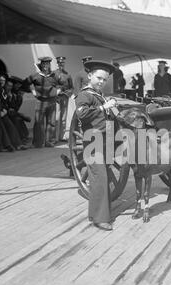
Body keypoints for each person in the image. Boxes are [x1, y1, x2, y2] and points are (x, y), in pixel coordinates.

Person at [75, 59, 118, 232]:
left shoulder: (99, 95)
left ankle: (96, 214)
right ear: (90, 76)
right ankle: (100, 219)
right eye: (99, 78)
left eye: (104, 80)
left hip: (104, 139)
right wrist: (103, 107)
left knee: (102, 177)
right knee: (99, 178)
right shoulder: (85, 94)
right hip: (93, 140)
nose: (101, 82)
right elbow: (82, 114)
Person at [24, 56, 60, 148]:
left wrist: (58, 91)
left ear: (49, 65)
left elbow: (62, 84)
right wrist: (32, 90)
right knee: (38, 122)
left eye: (47, 64)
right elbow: (25, 83)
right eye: (43, 64)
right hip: (40, 102)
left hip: (52, 101)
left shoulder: (54, 75)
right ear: (41, 65)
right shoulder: (35, 75)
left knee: (51, 122)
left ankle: (49, 141)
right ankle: (38, 143)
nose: (45, 66)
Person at [0, 77, 28, 151]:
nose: (9, 87)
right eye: (8, 85)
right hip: (2, 113)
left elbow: (14, 108)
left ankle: (20, 141)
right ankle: (17, 143)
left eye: (11, 86)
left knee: (17, 120)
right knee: (14, 121)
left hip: (7, 113)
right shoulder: (1, 92)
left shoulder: (14, 95)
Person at [54, 56, 74, 142]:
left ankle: (62, 136)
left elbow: (72, 88)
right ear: (57, 64)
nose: (61, 64)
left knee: (63, 118)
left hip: (65, 98)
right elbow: (51, 85)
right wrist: (57, 91)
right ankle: (54, 137)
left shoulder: (67, 75)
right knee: (56, 117)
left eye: (62, 63)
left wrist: (67, 94)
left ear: (64, 64)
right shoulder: (53, 74)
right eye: (59, 63)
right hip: (57, 98)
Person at [9, 76, 30, 144]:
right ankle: (21, 138)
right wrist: (22, 116)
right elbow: (10, 109)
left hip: (13, 114)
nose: (22, 94)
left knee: (19, 119)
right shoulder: (10, 94)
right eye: (17, 84)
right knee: (18, 119)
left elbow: (15, 109)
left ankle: (24, 137)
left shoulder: (19, 98)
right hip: (7, 113)